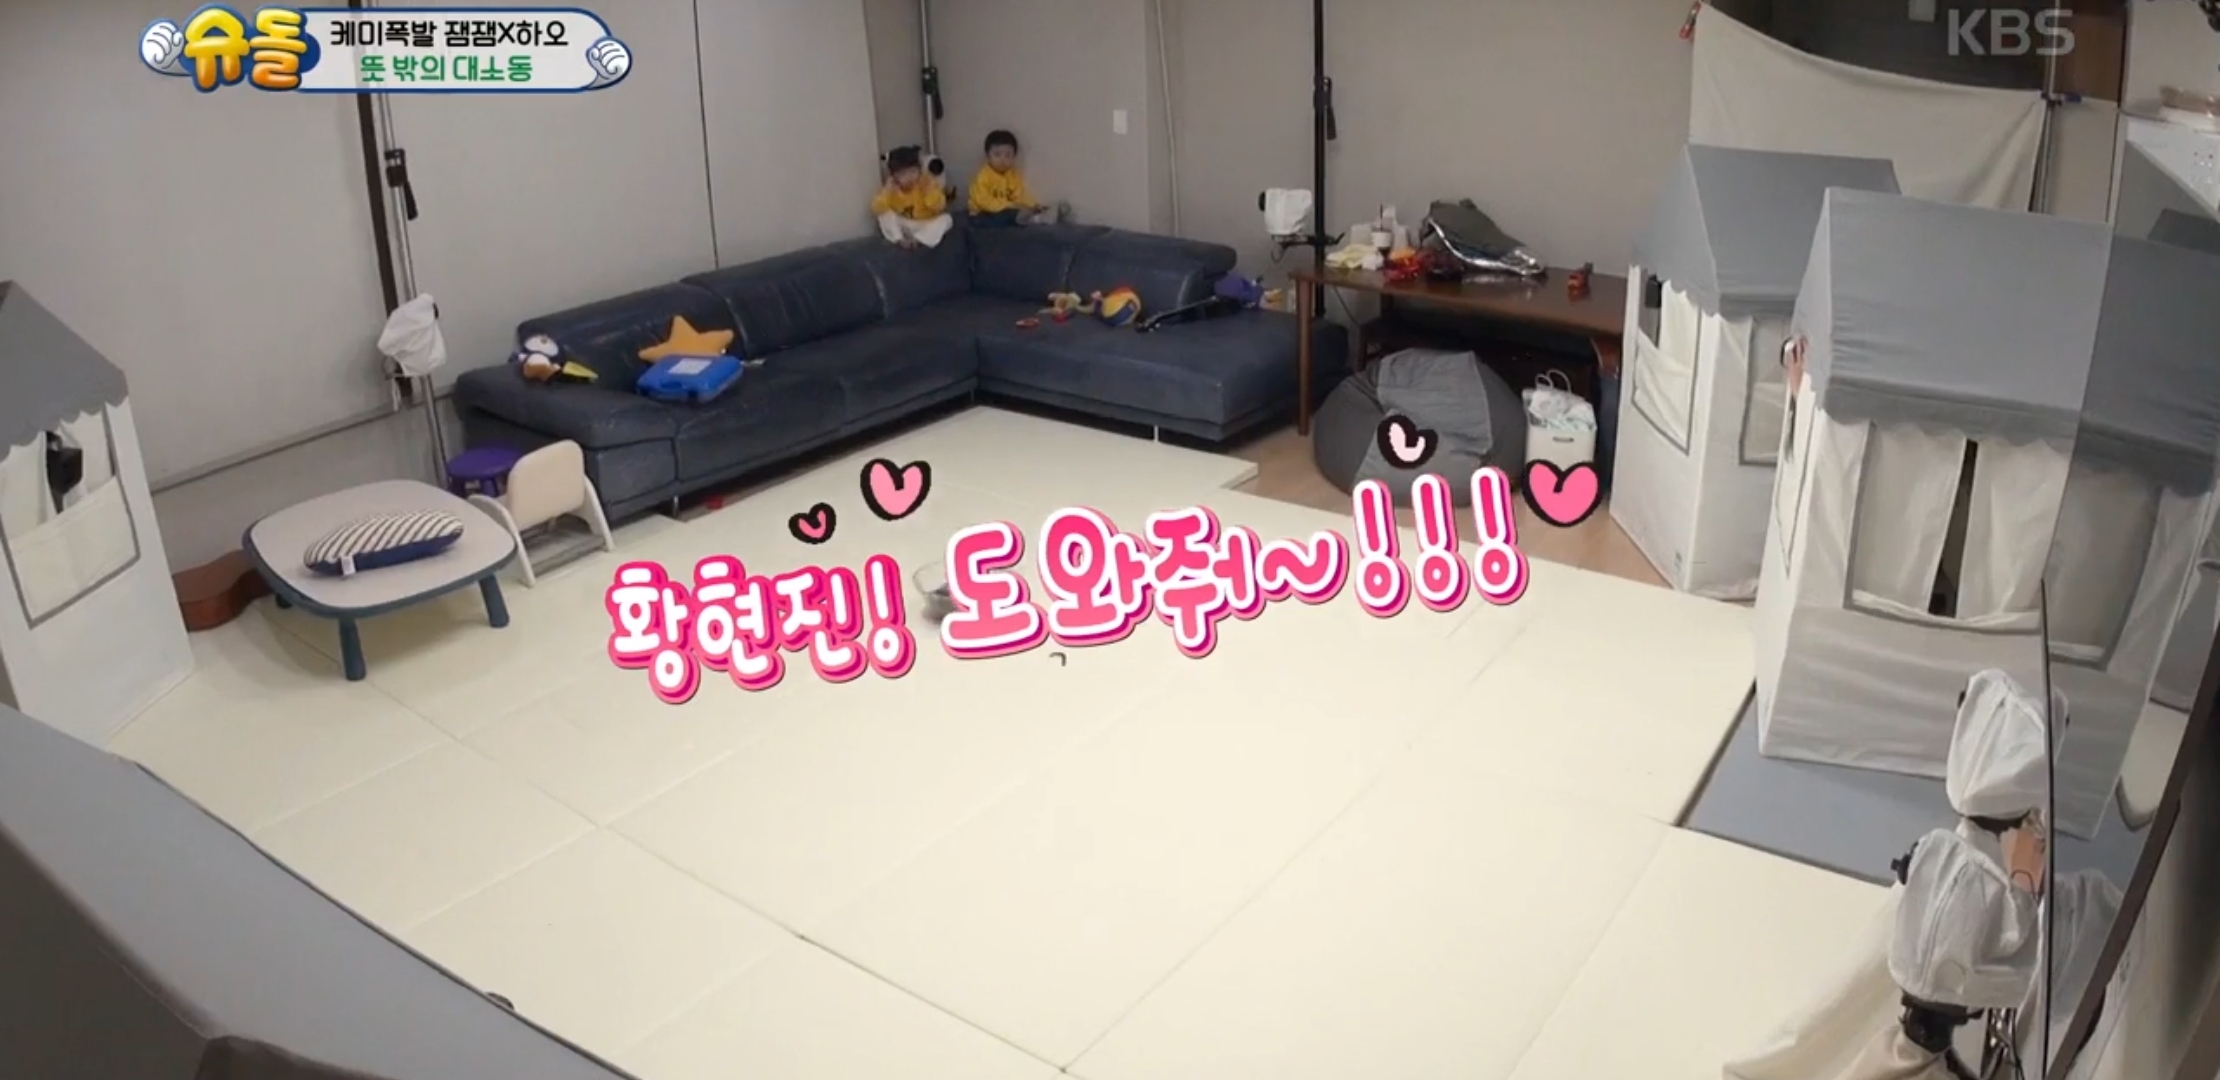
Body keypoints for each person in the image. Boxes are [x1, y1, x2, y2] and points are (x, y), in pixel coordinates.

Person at [967, 130, 1059, 228]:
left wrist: (1033, 205)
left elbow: (1018, 195)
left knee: (1017, 212)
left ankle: (1042, 213)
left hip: (1004, 209)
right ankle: (1034, 219)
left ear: (1014, 157)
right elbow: (983, 202)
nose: (1002, 160)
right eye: (997, 155)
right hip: (982, 213)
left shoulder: (1012, 175)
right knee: (1005, 216)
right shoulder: (983, 176)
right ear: (988, 156)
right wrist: (1008, 205)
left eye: (1008, 155)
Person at [872, 146, 951, 249]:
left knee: (946, 220)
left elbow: (939, 206)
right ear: (894, 176)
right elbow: (877, 208)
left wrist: (928, 192)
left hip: (924, 224)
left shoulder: (926, 182)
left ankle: (918, 240)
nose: (909, 177)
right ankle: (900, 240)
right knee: (885, 215)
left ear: (919, 170)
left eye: (913, 172)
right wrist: (887, 191)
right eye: (903, 174)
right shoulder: (891, 189)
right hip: (905, 225)